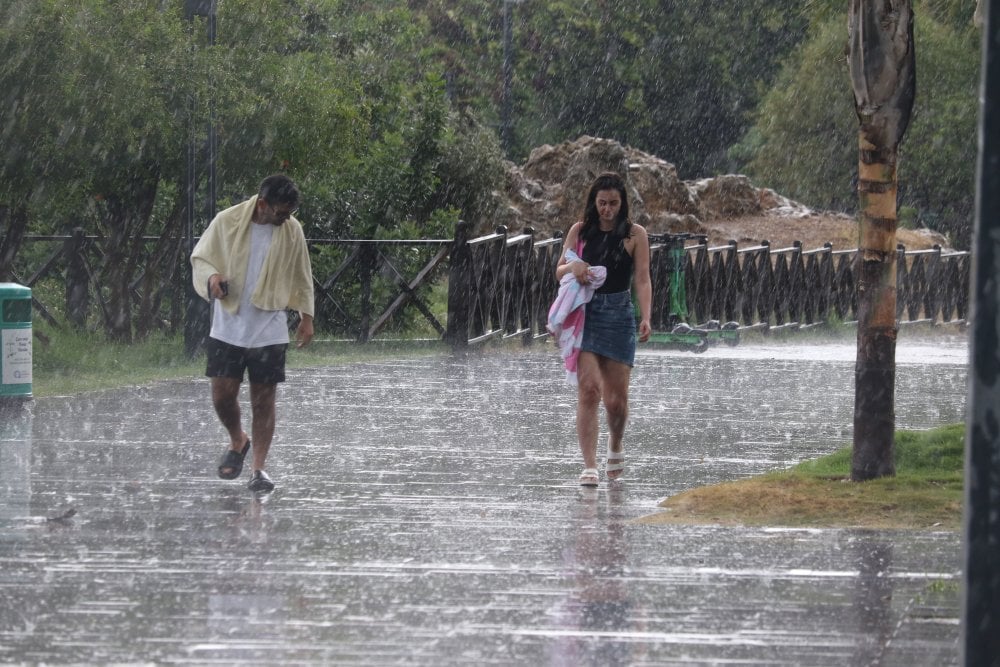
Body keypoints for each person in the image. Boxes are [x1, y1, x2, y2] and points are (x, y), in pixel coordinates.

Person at [191, 174, 315, 493]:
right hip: (228, 324)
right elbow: (202, 258)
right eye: (281, 213)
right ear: (263, 204)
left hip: (269, 329)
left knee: (263, 400)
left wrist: (306, 317)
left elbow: (302, 274)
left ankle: (259, 469)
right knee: (222, 396)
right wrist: (212, 278)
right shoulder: (227, 221)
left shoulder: (292, 232)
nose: (286, 219)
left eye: (290, 214)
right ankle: (238, 439)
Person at [554, 172, 651, 486]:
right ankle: (589, 466)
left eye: (613, 203)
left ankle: (616, 443)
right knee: (589, 391)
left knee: (616, 402)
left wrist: (645, 316)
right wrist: (574, 266)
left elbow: (642, 278)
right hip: (587, 313)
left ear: (622, 204)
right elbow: (560, 270)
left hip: (620, 314)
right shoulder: (580, 230)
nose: (607, 209)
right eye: (601, 203)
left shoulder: (635, 234)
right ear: (593, 203)